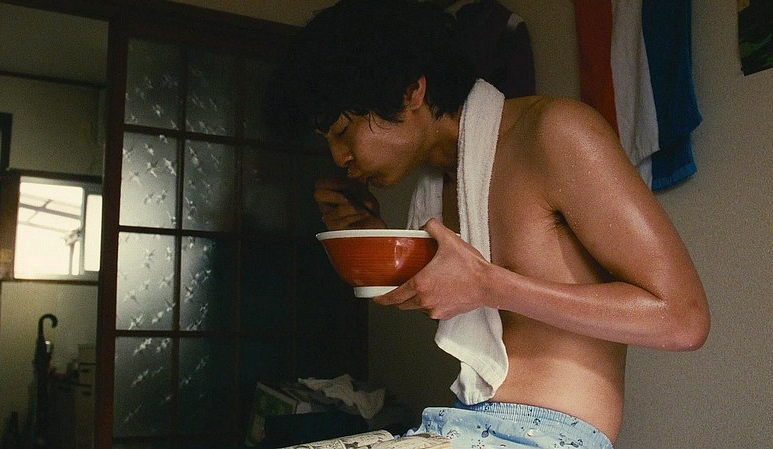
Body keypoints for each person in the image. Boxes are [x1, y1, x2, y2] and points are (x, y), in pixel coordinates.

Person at [265, 1, 710, 447]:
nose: (339, 157)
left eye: (343, 131)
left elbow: (683, 319)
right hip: (460, 423)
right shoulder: (441, 184)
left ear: (410, 91)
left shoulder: (554, 131)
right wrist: (374, 240)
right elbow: (460, 298)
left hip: (550, 436)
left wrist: (491, 285)